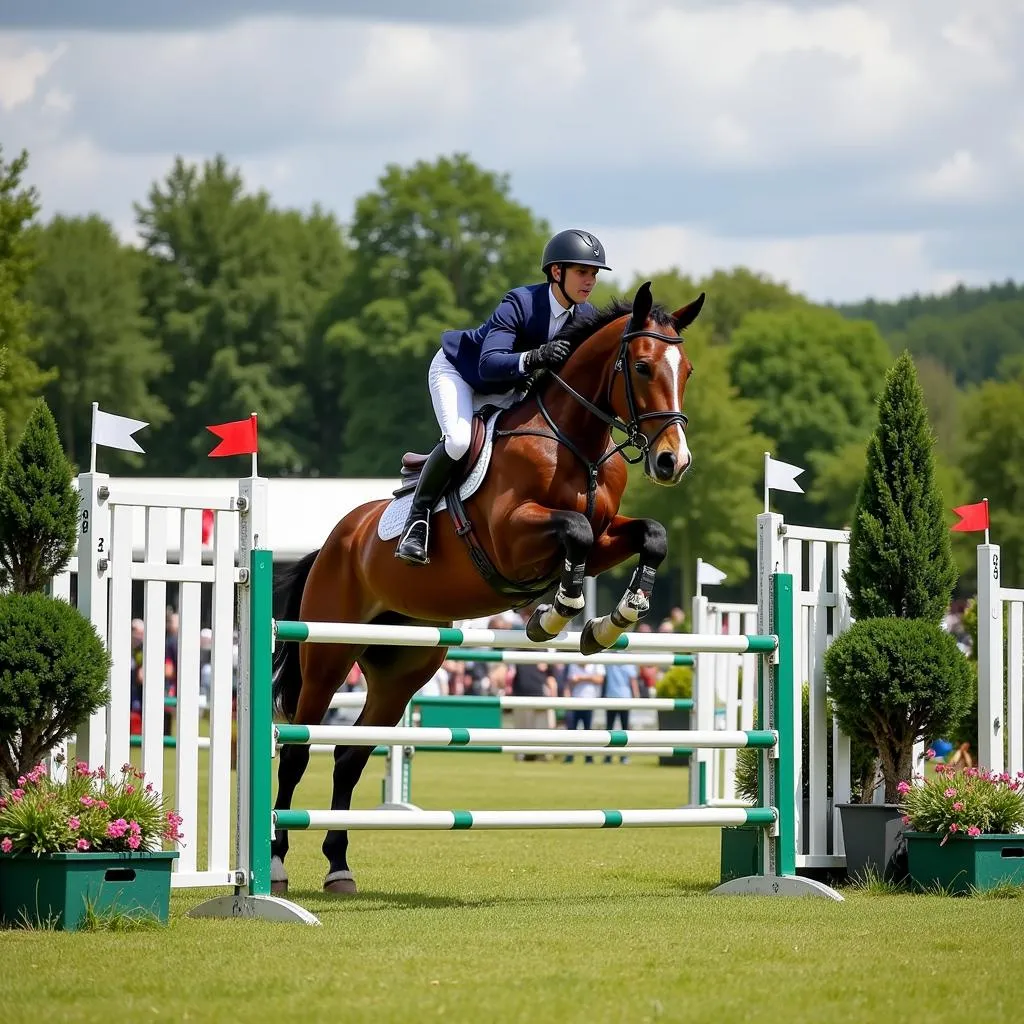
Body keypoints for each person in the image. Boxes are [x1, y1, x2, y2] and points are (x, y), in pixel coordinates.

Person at [394, 229, 612, 565]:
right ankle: (416, 523)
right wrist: (536, 356)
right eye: (582, 272)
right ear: (557, 272)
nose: (590, 281)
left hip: (509, 388)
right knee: (457, 441)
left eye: (594, 274)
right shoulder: (521, 303)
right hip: (461, 373)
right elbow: (489, 362)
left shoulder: (585, 317)